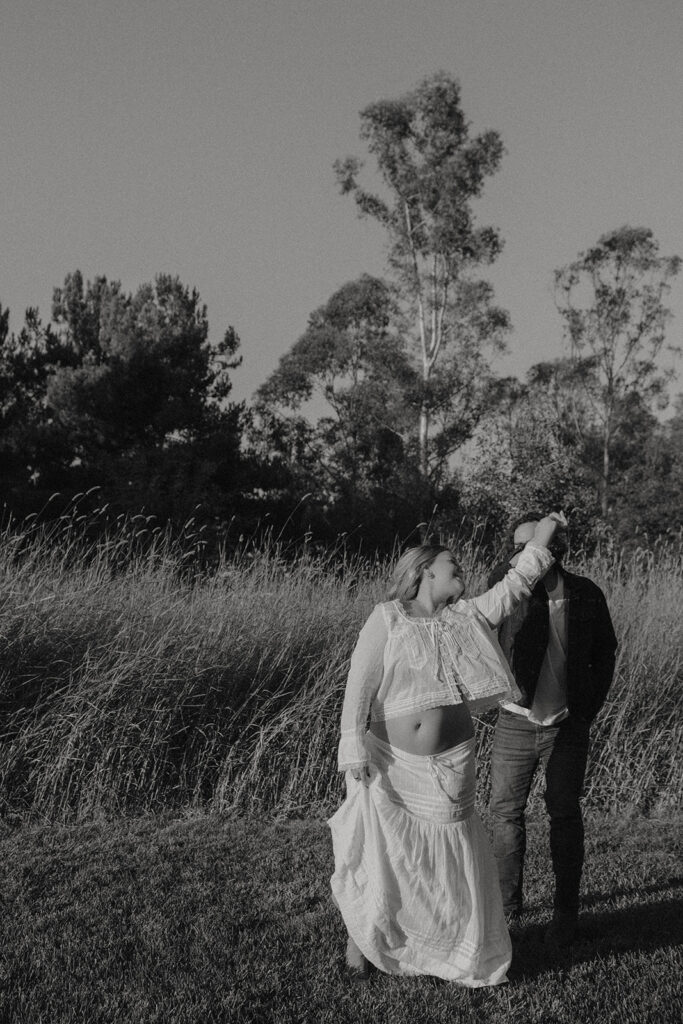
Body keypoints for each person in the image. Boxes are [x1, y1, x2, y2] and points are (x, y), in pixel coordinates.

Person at [328, 513, 564, 985]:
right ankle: (363, 951)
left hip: (455, 768)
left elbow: (519, 581)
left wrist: (545, 533)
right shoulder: (387, 618)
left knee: (444, 870)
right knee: (387, 857)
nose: (461, 567)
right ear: (425, 572)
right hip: (395, 766)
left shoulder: (467, 618)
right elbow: (359, 686)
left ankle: (452, 954)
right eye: (451, 562)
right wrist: (352, 747)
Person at [487, 512, 617, 950]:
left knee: (564, 813)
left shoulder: (584, 594)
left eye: (539, 544)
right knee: (505, 813)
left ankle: (565, 914)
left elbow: (605, 655)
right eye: (523, 546)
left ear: (557, 551)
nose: (529, 553)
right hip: (514, 720)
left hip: (566, 722)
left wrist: (584, 711)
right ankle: (507, 910)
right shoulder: (506, 588)